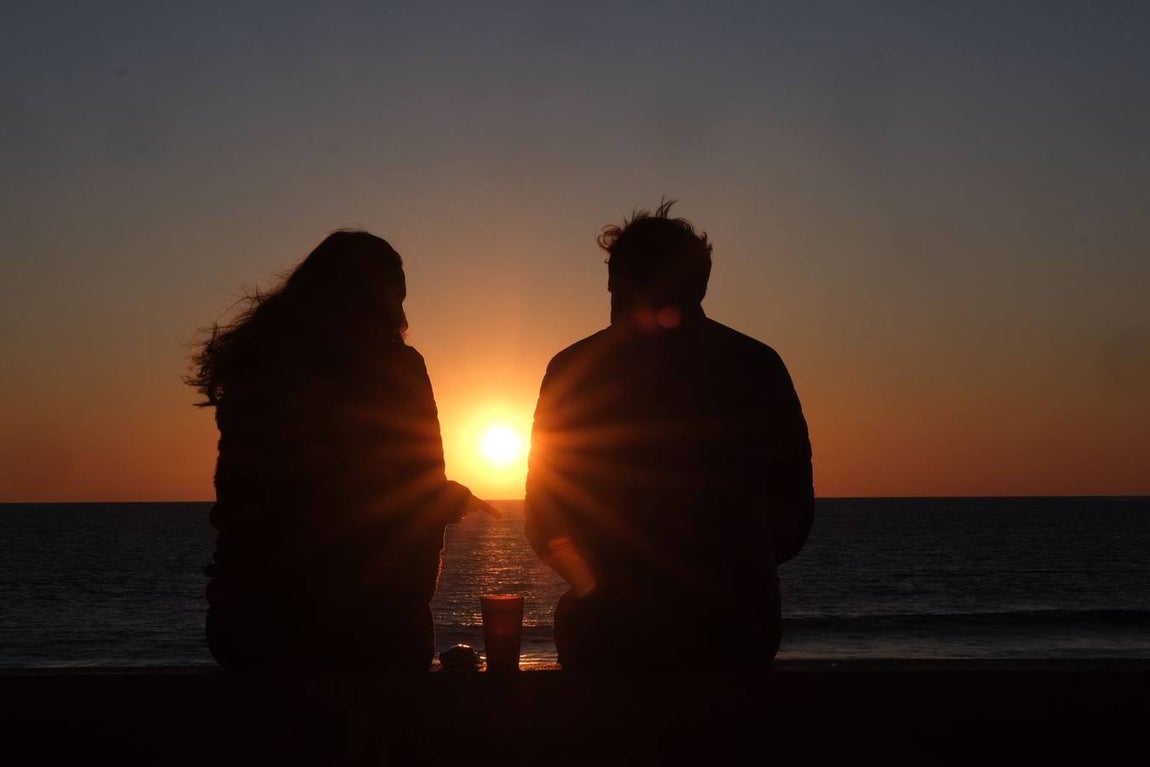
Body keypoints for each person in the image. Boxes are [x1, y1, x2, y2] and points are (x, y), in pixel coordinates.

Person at [186, 229, 496, 671]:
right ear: (377, 301)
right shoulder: (397, 368)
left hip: (247, 623)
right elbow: (415, 493)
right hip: (364, 625)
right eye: (397, 299)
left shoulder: (257, 366)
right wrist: (445, 500)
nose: (403, 314)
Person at [524, 200, 814, 670]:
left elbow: (543, 516)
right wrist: (732, 572)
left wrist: (600, 585)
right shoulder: (757, 365)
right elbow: (794, 511)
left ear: (620, 281)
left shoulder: (574, 370)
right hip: (734, 628)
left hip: (611, 632)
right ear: (701, 284)